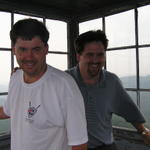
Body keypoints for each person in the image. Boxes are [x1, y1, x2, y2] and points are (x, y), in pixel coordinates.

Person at [0, 18, 88, 150]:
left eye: (36, 49)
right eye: (22, 49)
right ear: (14, 50)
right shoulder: (15, 78)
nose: (29, 57)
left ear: (46, 49)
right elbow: (7, 111)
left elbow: (79, 145)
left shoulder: (65, 85)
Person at [66, 30, 150, 150]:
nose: (95, 60)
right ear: (78, 56)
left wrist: (143, 131)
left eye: (100, 55)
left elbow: (129, 109)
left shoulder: (111, 81)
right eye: (90, 55)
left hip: (105, 147)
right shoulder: (65, 80)